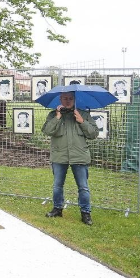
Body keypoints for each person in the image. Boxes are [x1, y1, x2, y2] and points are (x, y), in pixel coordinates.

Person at [41, 91, 99, 225]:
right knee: (57, 186)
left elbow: (93, 134)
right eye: (65, 98)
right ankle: (57, 209)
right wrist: (57, 117)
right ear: (60, 99)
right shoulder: (53, 114)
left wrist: (82, 121)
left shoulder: (83, 114)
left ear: (74, 99)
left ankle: (86, 213)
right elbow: (47, 131)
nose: (67, 101)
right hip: (59, 155)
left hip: (79, 156)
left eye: (70, 98)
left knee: (83, 187)